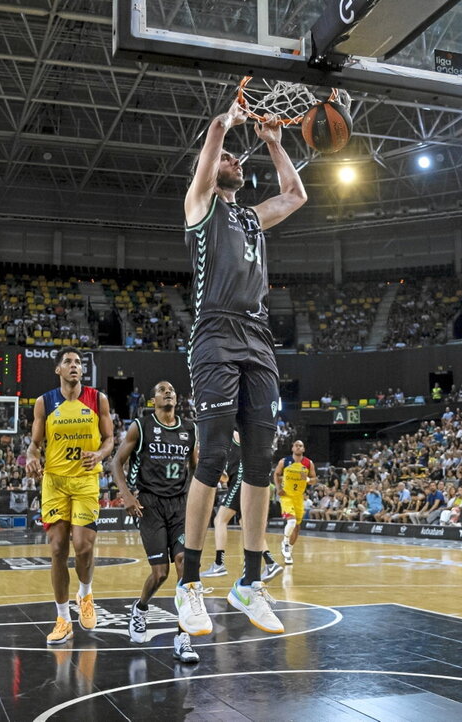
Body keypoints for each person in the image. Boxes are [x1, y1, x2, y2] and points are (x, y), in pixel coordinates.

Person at [178, 99, 307, 636]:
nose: (232, 158)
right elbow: (212, 135)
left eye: (234, 154)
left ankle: (248, 584)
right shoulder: (200, 206)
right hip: (214, 332)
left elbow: (297, 195)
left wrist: (275, 140)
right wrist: (224, 122)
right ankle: (189, 584)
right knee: (213, 454)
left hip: (257, 337)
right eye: (223, 155)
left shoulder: (252, 217)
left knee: (259, 459)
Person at [26, 346, 114, 645]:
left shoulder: (97, 398)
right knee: (58, 548)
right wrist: (30, 457)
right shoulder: (44, 403)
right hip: (55, 482)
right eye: (68, 362)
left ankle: (85, 594)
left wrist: (100, 453)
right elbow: (35, 444)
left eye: (77, 362)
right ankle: (63, 617)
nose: (74, 366)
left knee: (83, 546)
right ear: (58, 370)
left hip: (86, 479)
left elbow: (110, 438)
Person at [112, 380, 200, 663]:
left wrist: (203, 498)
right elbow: (116, 463)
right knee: (160, 573)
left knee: (185, 565)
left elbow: (196, 469)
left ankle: (183, 636)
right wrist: (126, 495)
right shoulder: (141, 426)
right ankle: (140, 608)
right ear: (153, 400)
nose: (168, 392)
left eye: (172, 390)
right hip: (149, 504)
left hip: (180, 507)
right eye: (162, 390)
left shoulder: (190, 429)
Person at [201, 431, 283, 582]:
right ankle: (270, 562)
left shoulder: (232, 434)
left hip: (240, 479)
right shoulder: (221, 445)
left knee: (220, 520)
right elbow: (224, 476)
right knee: (245, 524)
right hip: (237, 480)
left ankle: (219, 563)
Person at [274, 439, 317, 564]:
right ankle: (285, 543)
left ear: (303, 449)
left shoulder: (308, 463)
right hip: (286, 495)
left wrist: (308, 479)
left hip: (299, 497)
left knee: (297, 527)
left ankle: (289, 551)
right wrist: (278, 488)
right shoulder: (284, 461)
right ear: (292, 448)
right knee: (291, 521)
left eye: (301, 446)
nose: (298, 447)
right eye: (296, 445)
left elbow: (314, 480)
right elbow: (276, 474)